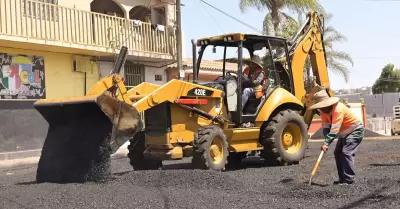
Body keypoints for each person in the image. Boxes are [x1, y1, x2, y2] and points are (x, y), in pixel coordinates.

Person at [308, 89, 365, 185]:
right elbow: (326, 128)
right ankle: (342, 179)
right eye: (319, 107)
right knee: (337, 153)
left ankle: (349, 180)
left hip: (355, 131)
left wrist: (326, 144)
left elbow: (334, 129)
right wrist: (326, 140)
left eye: (322, 107)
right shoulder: (323, 113)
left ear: (328, 104)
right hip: (344, 134)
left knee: (346, 152)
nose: (321, 109)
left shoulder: (338, 109)